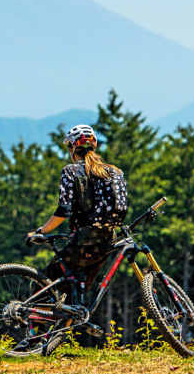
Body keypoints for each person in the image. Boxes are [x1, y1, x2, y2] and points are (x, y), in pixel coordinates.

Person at [28, 124, 129, 292]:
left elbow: (63, 211)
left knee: (45, 285)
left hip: (83, 241)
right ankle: (70, 316)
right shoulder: (114, 171)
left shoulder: (71, 171)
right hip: (107, 242)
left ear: (72, 148)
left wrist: (41, 231)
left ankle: (33, 317)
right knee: (76, 297)